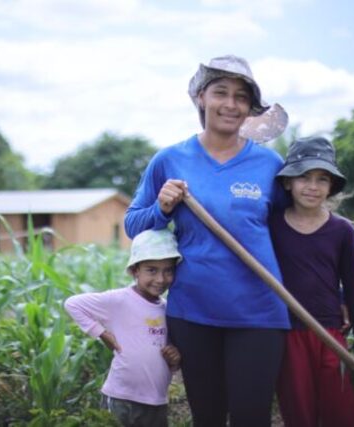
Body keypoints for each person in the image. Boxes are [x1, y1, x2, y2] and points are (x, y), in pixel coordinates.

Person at [125, 54, 290, 426]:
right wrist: (162, 208)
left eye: (241, 97)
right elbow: (133, 224)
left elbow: (292, 235)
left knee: (252, 416)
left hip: (260, 312)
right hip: (194, 313)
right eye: (221, 93)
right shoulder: (169, 160)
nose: (231, 104)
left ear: (250, 107)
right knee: (208, 417)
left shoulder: (269, 165)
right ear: (202, 97)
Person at [269, 136, 354, 427]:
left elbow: (353, 288)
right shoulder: (272, 225)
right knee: (299, 411)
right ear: (288, 182)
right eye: (304, 177)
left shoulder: (341, 230)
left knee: (341, 410)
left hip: (331, 333)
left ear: (331, 187)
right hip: (289, 333)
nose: (313, 186)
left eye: (322, 179)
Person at [64, 228, 183, 427]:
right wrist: (101, 333)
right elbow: (73, 304)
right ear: (135, 270)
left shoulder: (168, 309)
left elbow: (163, 354)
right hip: (121, 398)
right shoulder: (119, 300)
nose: (161, 279)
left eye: (168, 270)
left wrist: (175, 361)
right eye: (151, 270)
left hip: (156, 400)